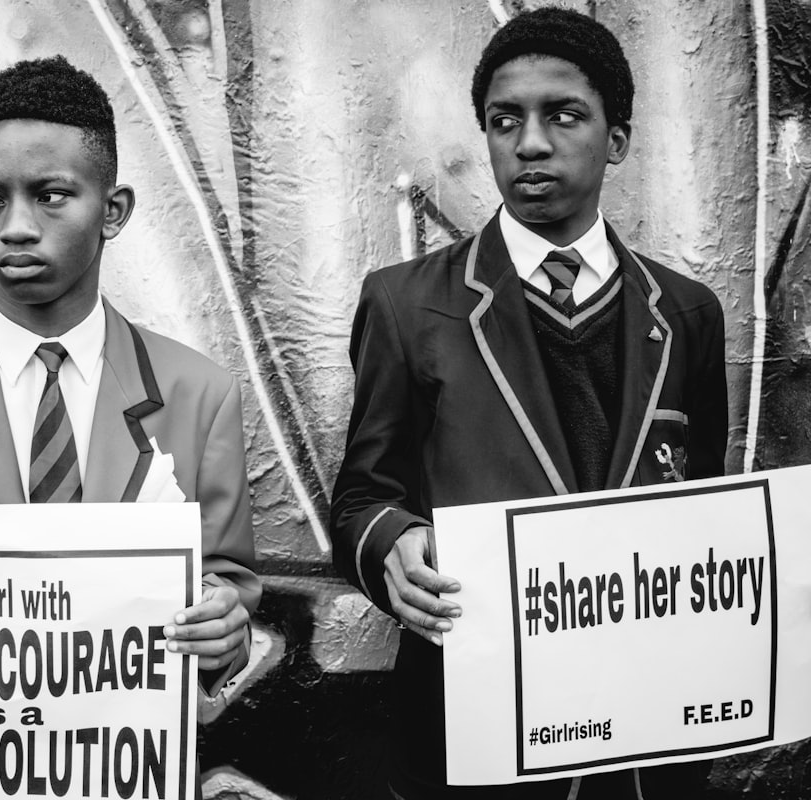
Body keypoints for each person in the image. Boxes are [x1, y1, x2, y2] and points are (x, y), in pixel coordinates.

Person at [330, 7, 726, 800]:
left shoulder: (685, 313)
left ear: (617, 140)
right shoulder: (409, 305)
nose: (532, 142)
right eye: (505, 120)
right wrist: (393, 550)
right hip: (478, 729)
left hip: (642, 740)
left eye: (564, 115)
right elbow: (363, 498)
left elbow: (707, 511)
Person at [0, 55, 260, 700]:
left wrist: (225, 636)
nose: (16, 228)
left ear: (112, 212)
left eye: (51, 196)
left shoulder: (199, 393)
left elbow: (228, 594)